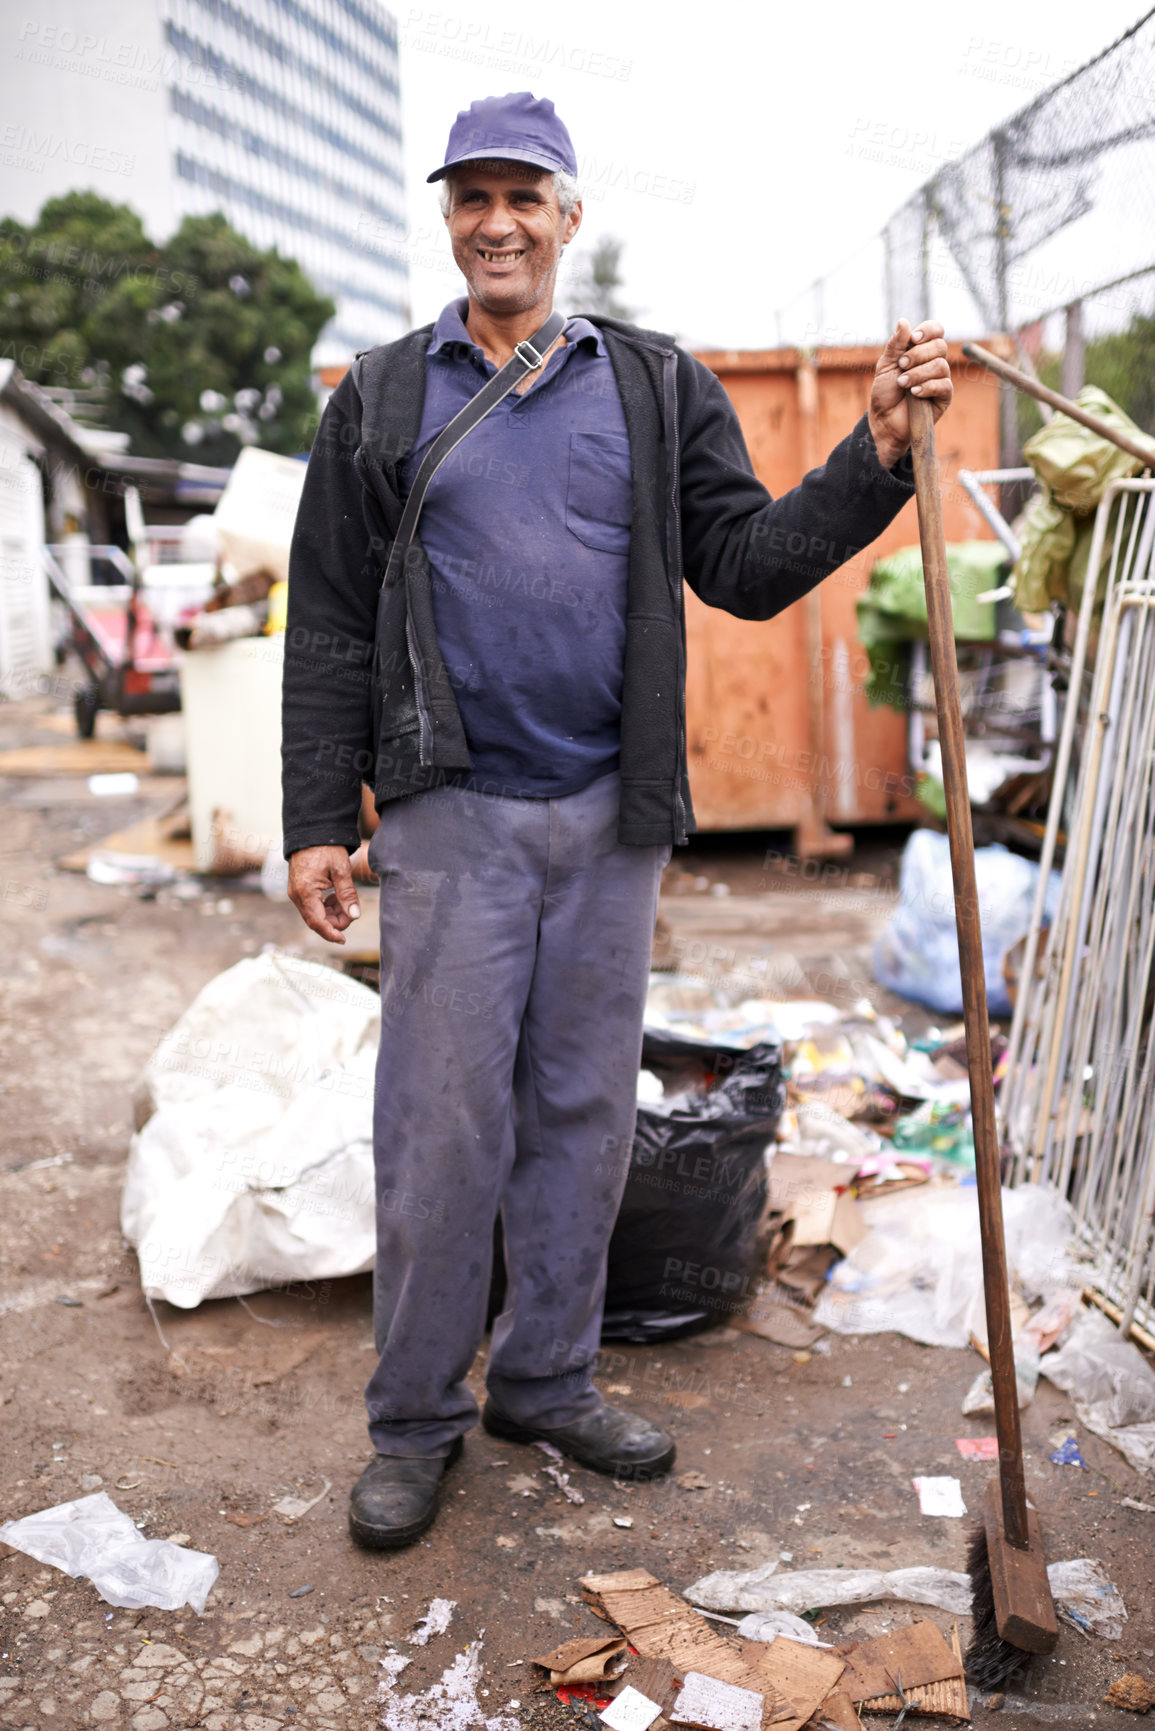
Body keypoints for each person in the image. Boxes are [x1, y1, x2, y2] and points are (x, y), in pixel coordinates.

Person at [282, 91, 954, 1549]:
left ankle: (546, 1380)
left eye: (526, 196)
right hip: (453, 816)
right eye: (474, 197)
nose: (499, 221)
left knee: (584, 1117)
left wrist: (878, 454)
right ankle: (415, 1425)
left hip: (610, 812)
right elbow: (329, 617)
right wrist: (313, 816)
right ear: (450, 220)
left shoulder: (652, 385)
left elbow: (748, 564)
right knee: (440, 1129)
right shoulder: (383, 396)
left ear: (571, 217)